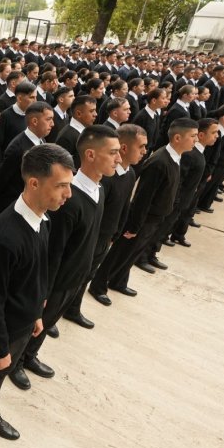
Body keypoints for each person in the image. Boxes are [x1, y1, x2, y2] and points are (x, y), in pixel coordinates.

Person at [0, 144, 73, 448]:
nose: (68, 194)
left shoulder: (42, 220)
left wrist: (36, 313)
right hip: (3, 329)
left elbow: (36, 273)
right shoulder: (3, 239)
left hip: (24, 322)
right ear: (34, 183)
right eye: (61, 186)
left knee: (2, 372)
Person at [12, 125, 121, 388]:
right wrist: (44, 291)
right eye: (113, 152)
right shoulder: (68, 200)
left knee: (50, 321)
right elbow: (53, 251)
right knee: (37, 322)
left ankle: (30, 355)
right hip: (57, 280)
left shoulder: (99, 189)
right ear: (91, 154)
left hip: (76, 276)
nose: (119, 158)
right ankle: (16, 362)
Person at [89, 118, 198, 299]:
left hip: (155, 218)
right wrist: (134, 225)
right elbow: (142, 198)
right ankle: (99, 285)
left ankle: (119, 281)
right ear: (178, 137)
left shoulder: (172, 159)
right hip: (144, 218)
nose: (196, 140)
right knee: (121, 254)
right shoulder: (159, 161)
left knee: (132, 254)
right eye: (193, 136)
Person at [69, 124, 146, 314]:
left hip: (107, 236)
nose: (145, 151)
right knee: (76, 275)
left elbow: (124, 206)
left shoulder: (130, 174)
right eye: (141, 146)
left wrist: (116, 233)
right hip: (94, 236)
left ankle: (73, 308)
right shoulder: (106, 177)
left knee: (88, 274)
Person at [0, 101, 54, 215]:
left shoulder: (41, 139)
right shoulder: (18, 148)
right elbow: (1, 181)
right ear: (34, 121)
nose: (52, 124)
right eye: (48, 119)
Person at [168, 117, 219, 248]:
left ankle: (178, 234)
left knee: (187, 212)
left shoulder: (199, 151)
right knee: (171, 220)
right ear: (201, 135)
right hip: (182, 195)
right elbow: (182, 178)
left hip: (193, 190)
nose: (217, 136)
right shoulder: (190, 154)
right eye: (214, 132)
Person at [55, 94, 97, 169]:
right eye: (91, 111)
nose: (95, 114)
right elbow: (62, 167)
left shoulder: (85, 131)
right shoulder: (67, 137)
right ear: (78, 114)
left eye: (95, 110)